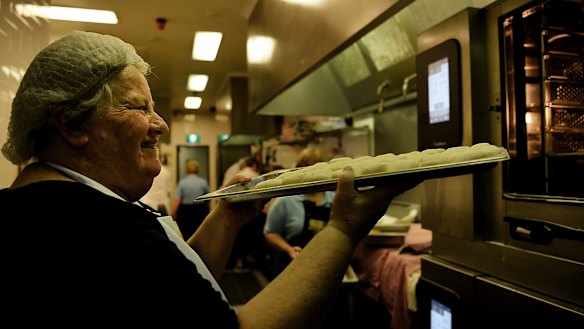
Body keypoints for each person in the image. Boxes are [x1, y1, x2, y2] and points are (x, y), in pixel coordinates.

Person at [0, 31, 421, 326]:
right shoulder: (89, 229)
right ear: (72, 124)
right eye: (138, 108)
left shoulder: (55, 203)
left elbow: (174, 295)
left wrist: (228, 217)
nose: (159, 125)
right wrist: (344, 230)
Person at [263, 147, 336, 275]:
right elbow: (270, 233)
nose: (312, 175)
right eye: (307, 168)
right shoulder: (286, 201)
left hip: (328, 266)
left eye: (316, 169)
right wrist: (288, 249)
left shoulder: (334, 199)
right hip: (293, 267)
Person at [172, 158, 210, 238]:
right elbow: (208, 197)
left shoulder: (182, 183)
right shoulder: (203, 182)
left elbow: (177, 200)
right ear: (198, 169)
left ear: (187, 169)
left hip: (185, 212)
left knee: (186, 234)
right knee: (199, 232)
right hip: (200, 211)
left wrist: (174, 213)